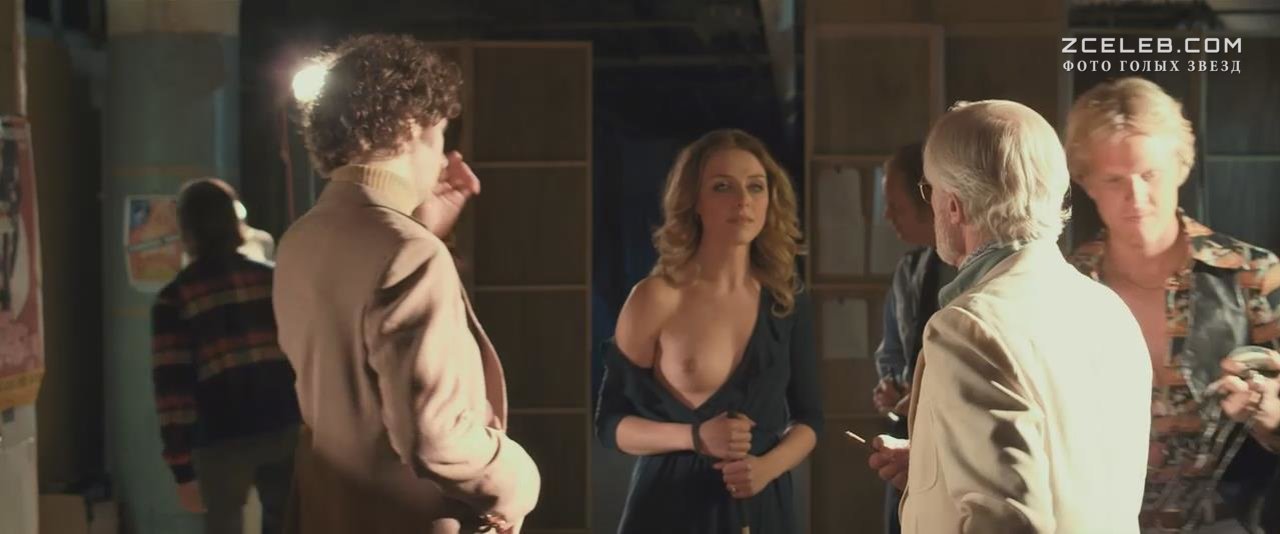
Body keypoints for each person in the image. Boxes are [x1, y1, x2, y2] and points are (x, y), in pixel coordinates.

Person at [273, 34, 540, 534]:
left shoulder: (300, 239)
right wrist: (518, 477)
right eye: (440, 137)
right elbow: (435, 439)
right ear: (412, 123)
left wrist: (418, 225)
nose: (443, 160)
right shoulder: (410, 253)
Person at [868, 100, 1152, 533]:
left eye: (931, 189)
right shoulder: (1110, 311)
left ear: (954, 206)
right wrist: (936, 468)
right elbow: (1077, 473)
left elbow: (1008, 521)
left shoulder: (968, 327)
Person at [1064, 76, 1280, 533]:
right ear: (1086, 182)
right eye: (1114, 180)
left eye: (1150, 175)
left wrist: (1268, 414)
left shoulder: (1253, 275)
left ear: (1180, 168)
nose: (1136, 197)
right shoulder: (1064, 288)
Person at [594, 129, 823, 533]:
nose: (743, 201)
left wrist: (767, 468)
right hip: (670, 508)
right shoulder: (656, 297)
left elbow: (810, 419)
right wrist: (695, 436)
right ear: (694, 201)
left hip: (763, 505)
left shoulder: (786, 299)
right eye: (722, 187)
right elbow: (611, 425)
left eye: (755, 187)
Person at [151, 178, 301, 534]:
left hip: (220, 436)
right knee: (286, 524)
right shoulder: (272, 280)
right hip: (283, 425)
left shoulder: (174, 299)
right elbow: (302, 354)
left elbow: (173, 392)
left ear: (186, 229)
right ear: (236, 222)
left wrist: (181, 468)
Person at [870, 142, 954, 534]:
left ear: (927, 199)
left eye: (895, 206)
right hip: (906, 436)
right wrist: (890, 387)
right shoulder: (908, 271)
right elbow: (891, 352)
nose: (887, 215)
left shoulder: (971, 272)